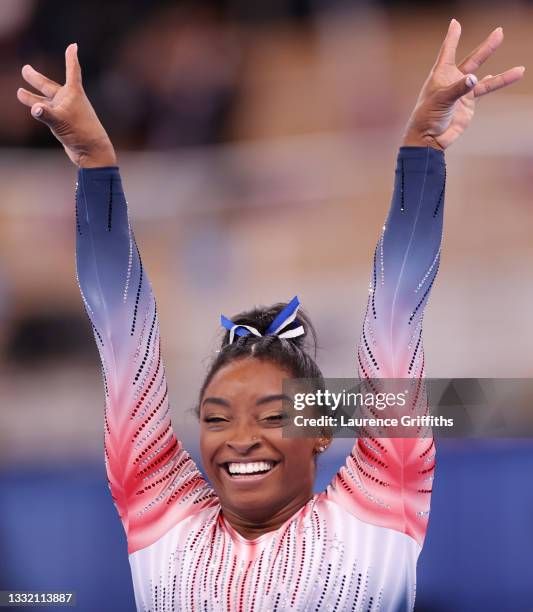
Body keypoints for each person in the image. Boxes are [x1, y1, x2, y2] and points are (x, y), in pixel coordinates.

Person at [17, 19, 524, 612]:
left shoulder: (379, 502)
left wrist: (422, 149)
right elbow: (119, 331)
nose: (239, 439)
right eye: (217, 418)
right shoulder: (160, 511)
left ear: (319, 434)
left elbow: (395, 313)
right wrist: (94, 162)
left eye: (270, 415)